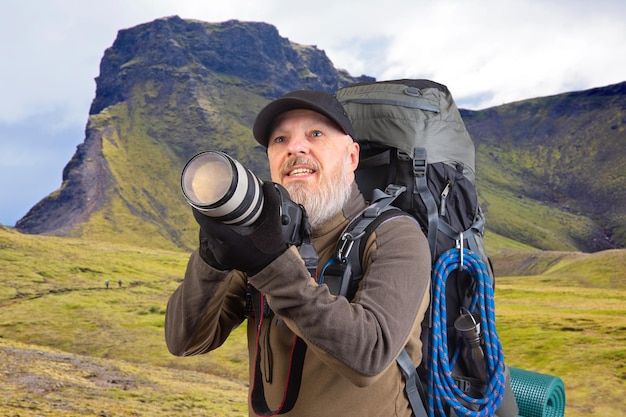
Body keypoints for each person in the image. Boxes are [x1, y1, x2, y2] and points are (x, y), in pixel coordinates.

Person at [165, 90, 431, 416]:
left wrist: (270, 263)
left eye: (315, 134)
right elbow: (184, 340)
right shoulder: (260, 238)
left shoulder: (396, 234)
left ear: (351, 157)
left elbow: (370, 356)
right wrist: (212, 257)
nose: (294, 147)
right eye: (279, 140)